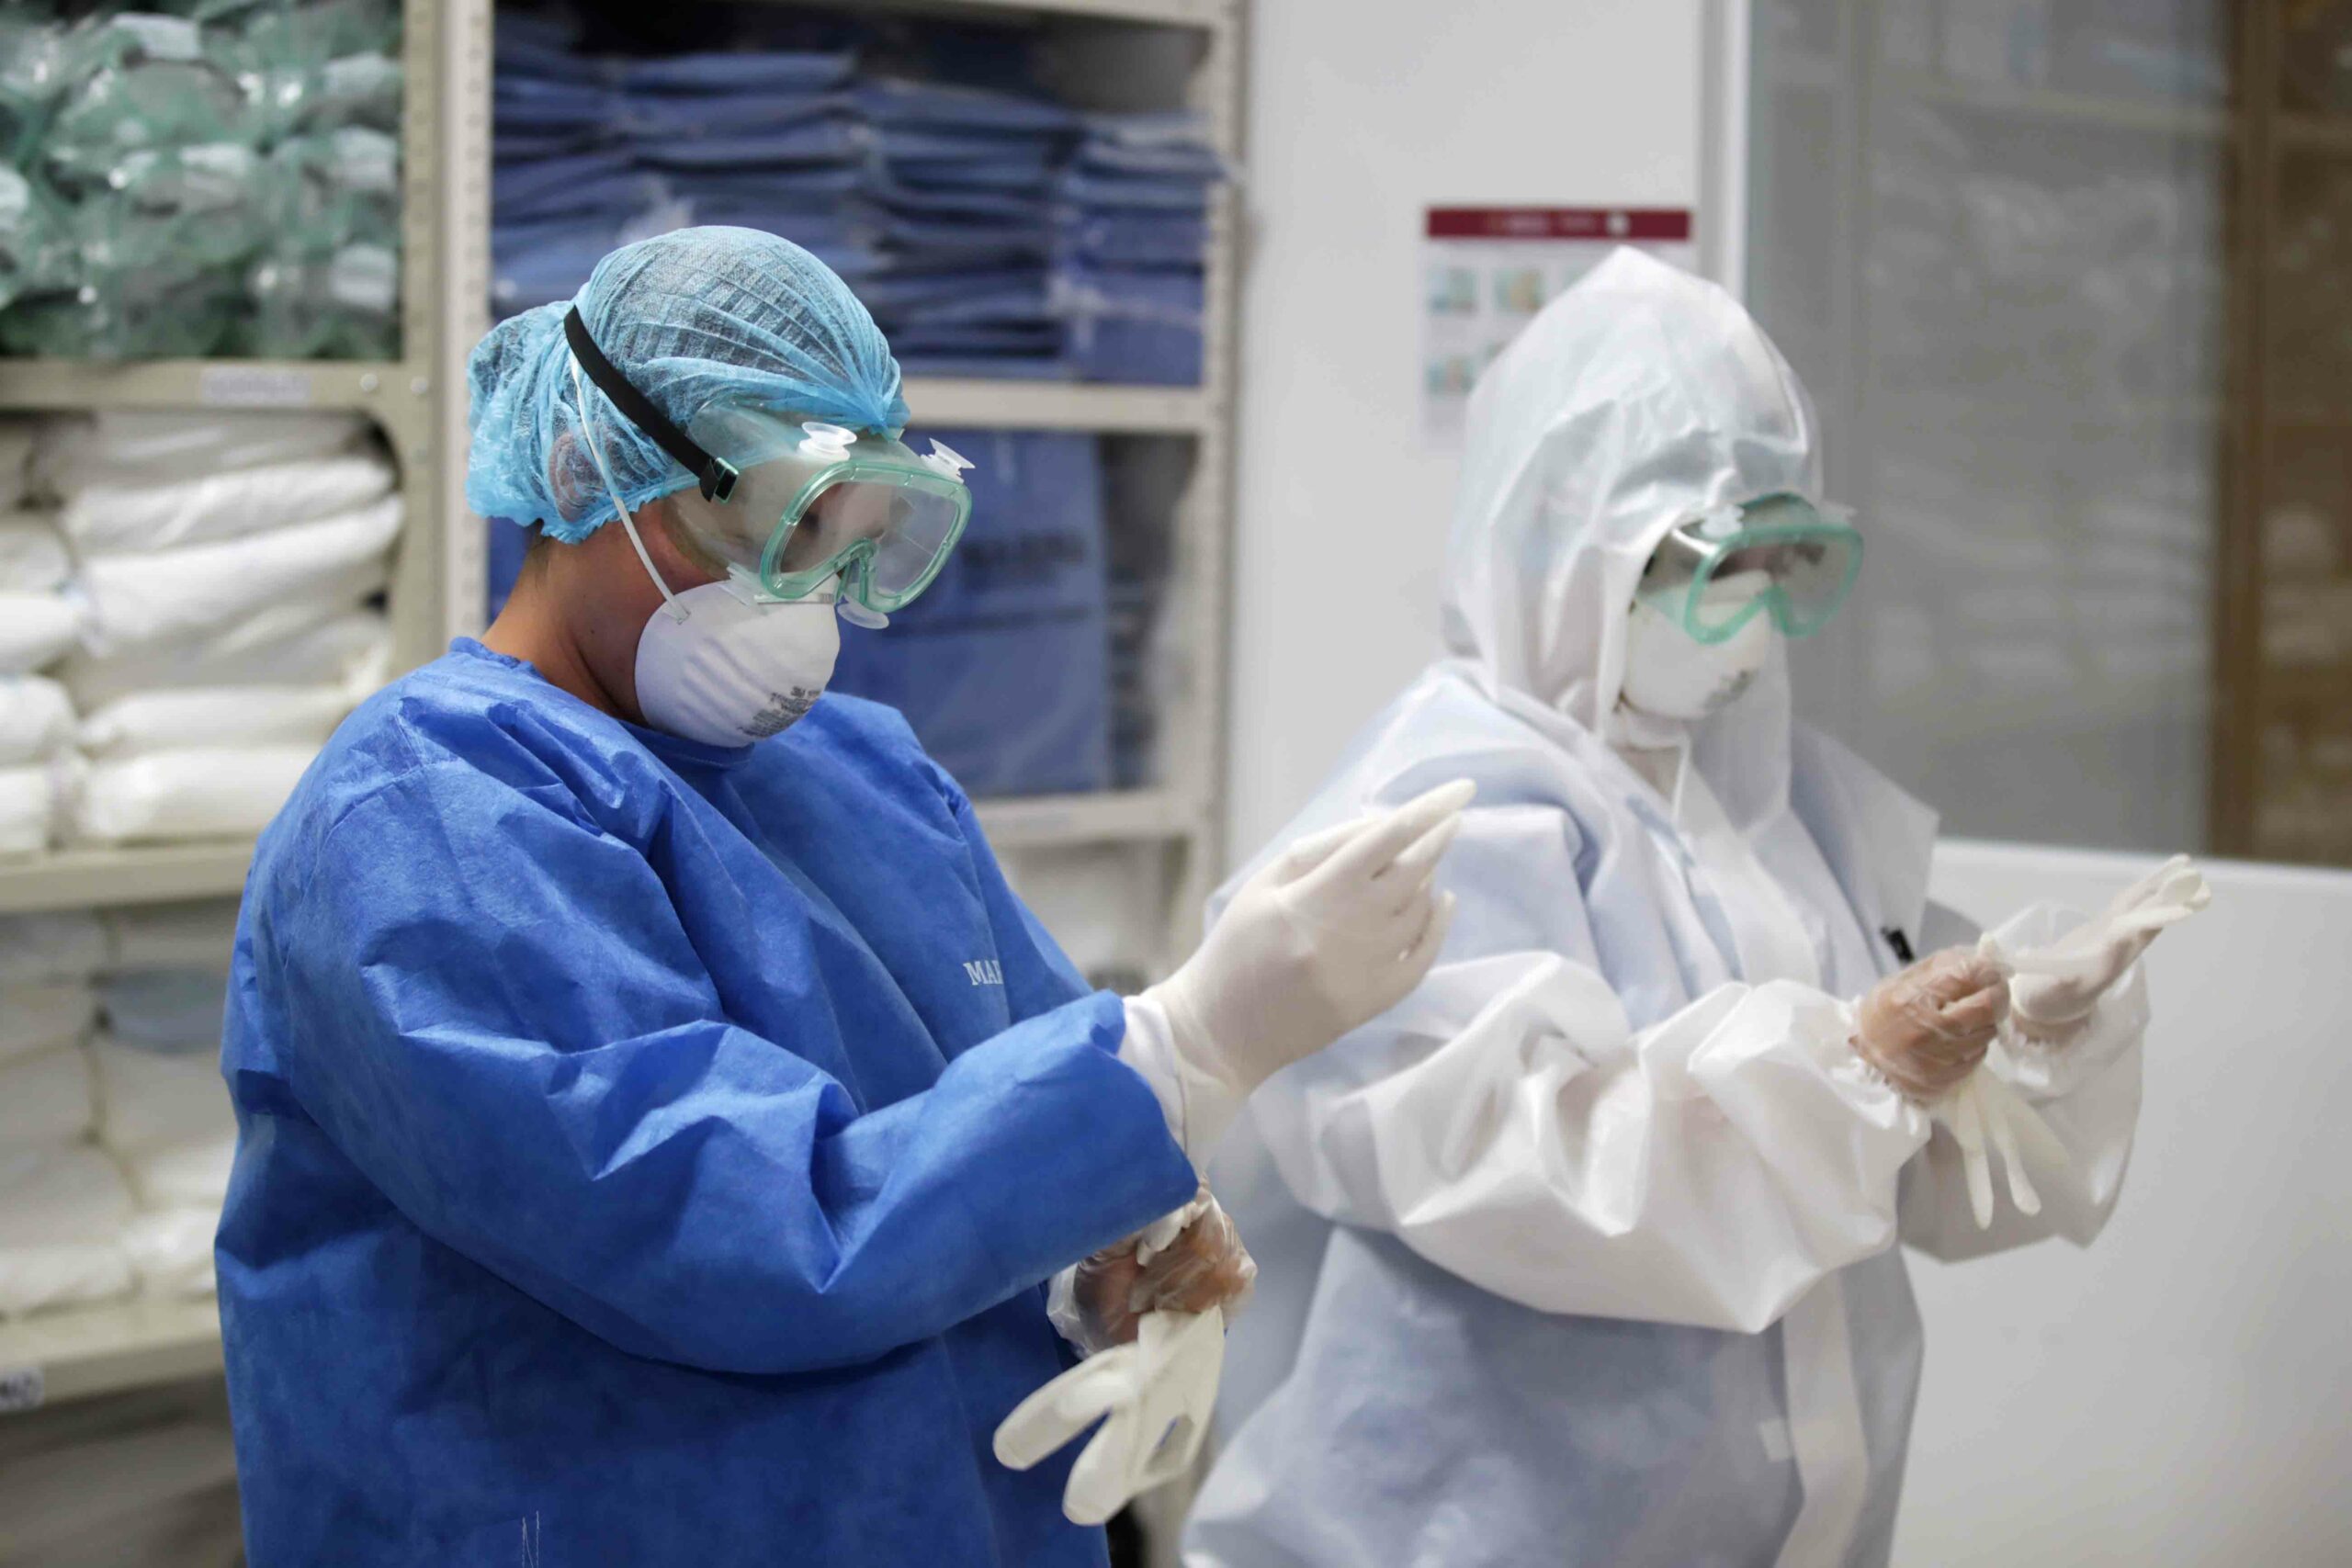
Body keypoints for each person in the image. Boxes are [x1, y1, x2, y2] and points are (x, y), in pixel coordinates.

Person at [215, 227, 1465, 1567]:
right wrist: (1188, 1046)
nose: (804, 600)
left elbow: (1000, 1106)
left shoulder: (864, 775)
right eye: (777, 523)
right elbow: (742, 1231)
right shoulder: (425, 816)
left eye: (856, 541)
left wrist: (1099, 1249)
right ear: (585, 472)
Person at [1182, 249, 2201, 1568]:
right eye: (1713, 564)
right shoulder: (1440, 815)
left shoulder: (1779, 811)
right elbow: (1529, 1175)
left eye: (1781, 560)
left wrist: (2019, 1046)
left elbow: (1895, 1180)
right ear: (1570, 547)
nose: (1753, 613)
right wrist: (1856, 1068)